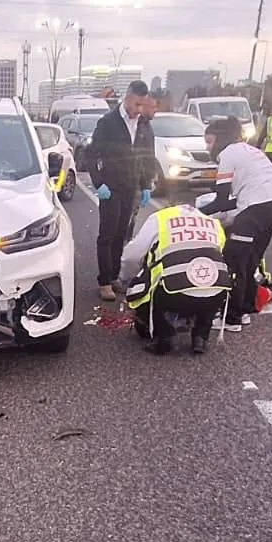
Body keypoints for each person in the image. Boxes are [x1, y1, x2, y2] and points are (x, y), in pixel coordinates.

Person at [197, 116, 272, 331]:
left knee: (234, 260)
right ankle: (245, 309)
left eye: (209, 141)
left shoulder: (227, 154)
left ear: (219, 139)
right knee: (250, 261)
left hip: (256, 209)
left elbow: (220, 201)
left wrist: (196, 212)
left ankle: (232, 318)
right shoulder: (250, 150)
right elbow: (237, 199)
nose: (208, 146)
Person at [120, 201, 233, 355]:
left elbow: (133, 256)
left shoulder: (160, 219)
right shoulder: (212, 223)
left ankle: (164, 337)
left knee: (153, 284)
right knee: (210, 283)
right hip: (216, 293)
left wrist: (128, 280)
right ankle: (200, 336)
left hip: (173, 294)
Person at [89, 81, 159, 301]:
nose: (138, 109)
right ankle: (104, 282)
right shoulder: (108, 123)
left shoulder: (144, 125)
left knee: (121, 234)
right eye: (136, 104)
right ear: (127, 97)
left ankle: (114, 276)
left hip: (131, 187)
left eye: (142, 105)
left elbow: (147, 157)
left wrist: (146, 185)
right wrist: (98, 182)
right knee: (107, 235)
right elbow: (92, 155)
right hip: (110, 187)